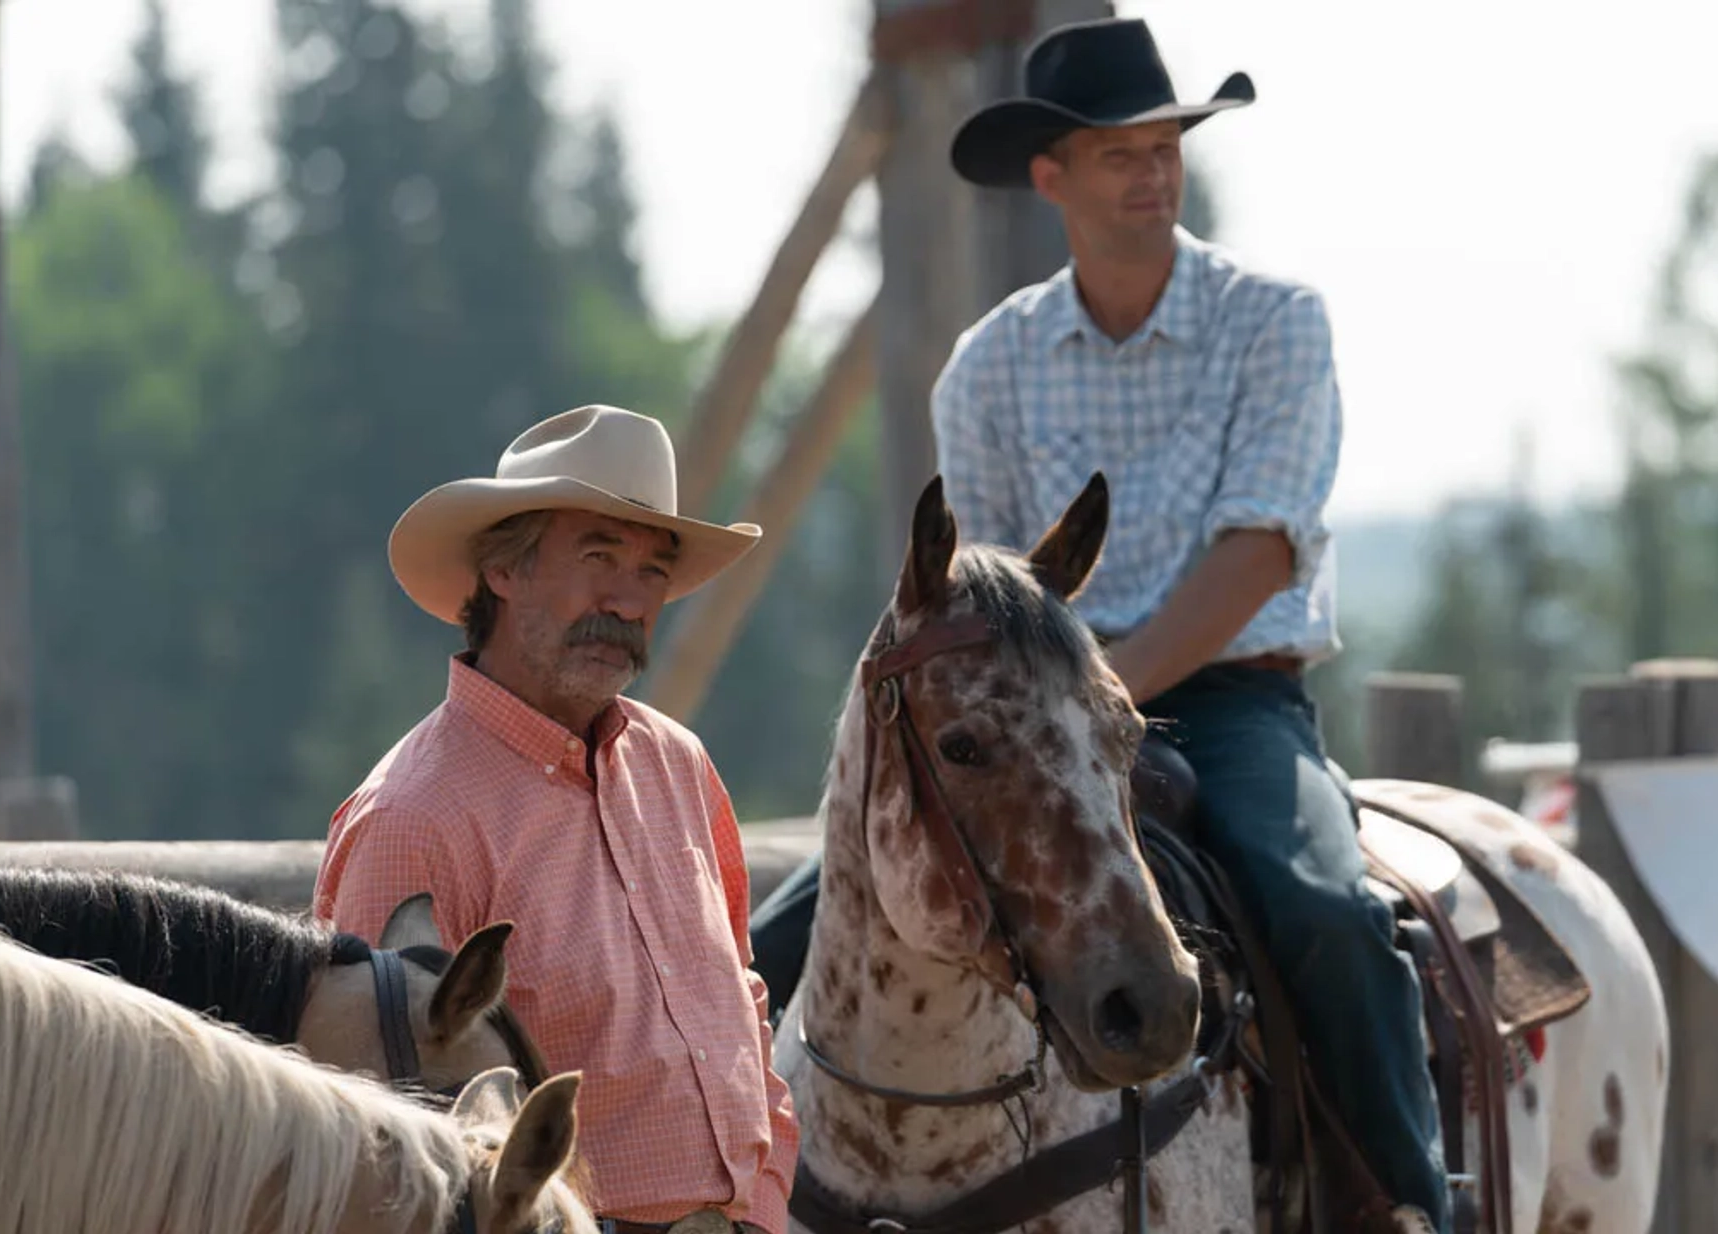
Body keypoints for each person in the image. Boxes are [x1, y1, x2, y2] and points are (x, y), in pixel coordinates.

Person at [749, 17, 1449, 1233]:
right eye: (1119, 150)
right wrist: (1059, 722)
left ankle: (1403, 1202)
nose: (1153, 169)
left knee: (1327, 908)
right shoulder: (988, 367)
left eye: (1166, 143)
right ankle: (724, 1187)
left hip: (1230, 696)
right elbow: (981, 591)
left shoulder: (1275, 320)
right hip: (1038, 718)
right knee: (776, 938)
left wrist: (1096, 702)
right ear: (1051, 176)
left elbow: (1261, 548)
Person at [314, 404, 796, 1234]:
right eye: (598, 555)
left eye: (651, 571)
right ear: (503, 570)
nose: (627, 600)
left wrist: (772, 1188)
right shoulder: (410, 819)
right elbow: (367, 1133)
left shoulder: (678, 764)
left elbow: (744, 1006)